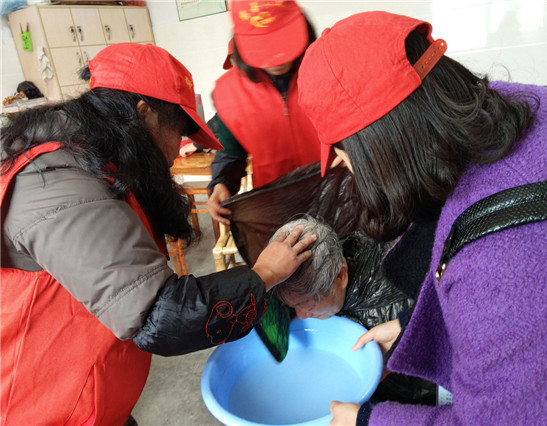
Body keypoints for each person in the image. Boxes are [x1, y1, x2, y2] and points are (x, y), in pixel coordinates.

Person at [0, 43, 316, 425]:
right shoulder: (59, 182)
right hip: (44, 410)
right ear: (143, 113)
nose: (174, 152)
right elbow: (160, 317)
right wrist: (266, 273)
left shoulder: (94, 156)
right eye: (178, 132)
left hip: (95, 398)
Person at [297, 11, 547, 425]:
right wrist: (417, 327)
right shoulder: (518, 103)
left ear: (378, 148)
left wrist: (366, 421)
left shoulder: (499, 264)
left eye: (344, 154)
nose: (346, 167)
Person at [270, 216, 439, 406]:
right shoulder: (322, 263)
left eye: (308, 305)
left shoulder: (401, 281)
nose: (300, 316)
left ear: (341, 275)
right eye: (292, 305)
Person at [207, 0, 321, 225]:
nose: (277, 59)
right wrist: (221, 183)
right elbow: (231, 153)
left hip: (338, 192)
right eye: (265, 48)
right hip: (276, 205)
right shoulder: (230, 92)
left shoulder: (325, 69)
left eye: (283, 42)